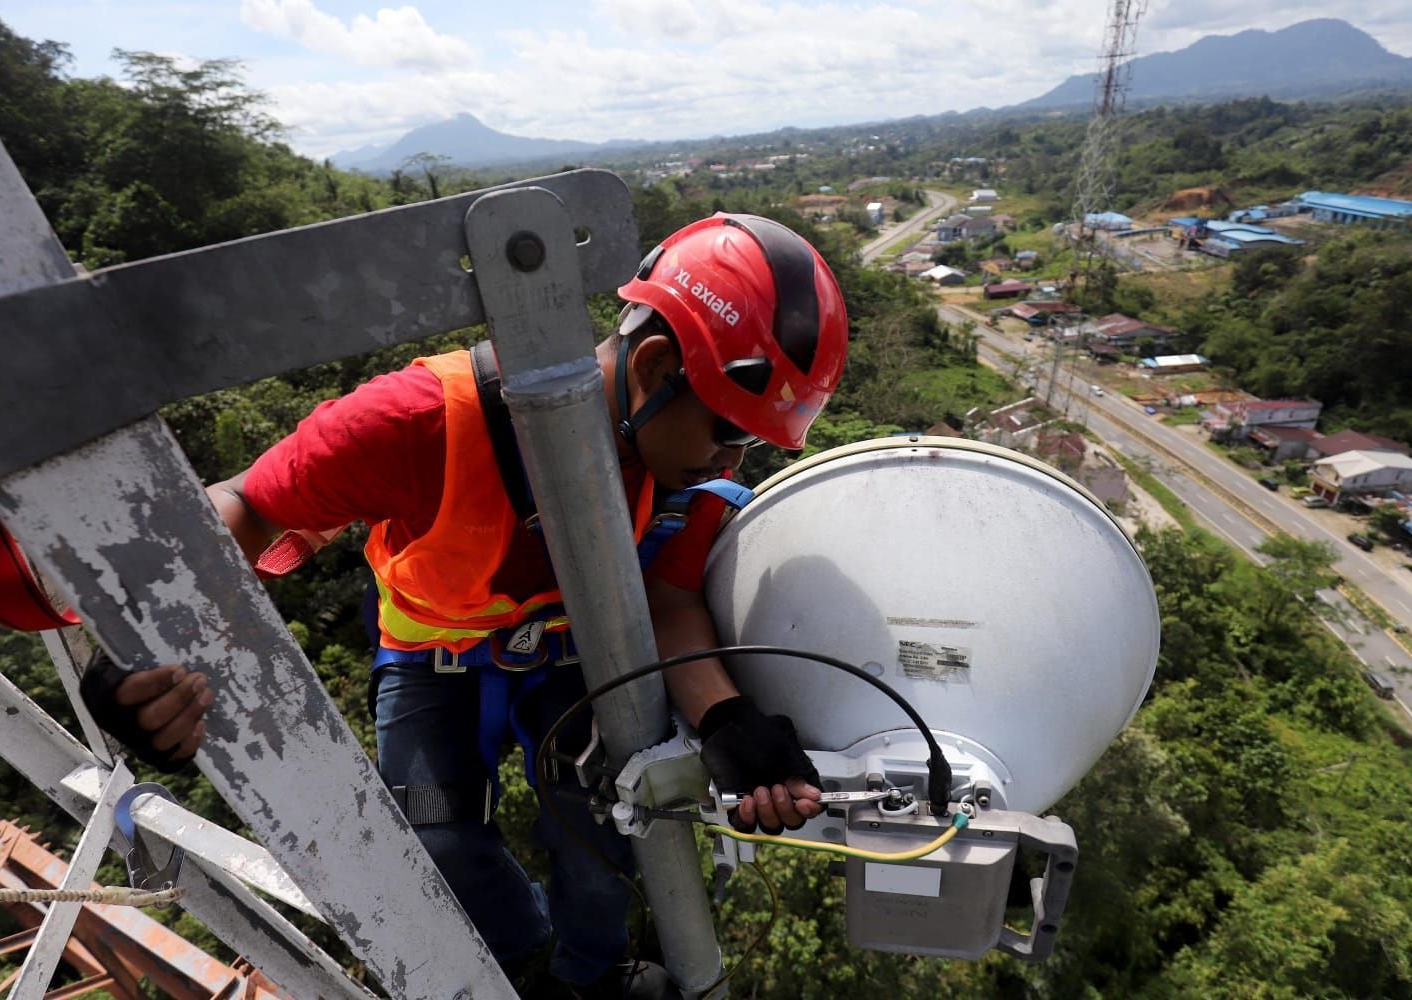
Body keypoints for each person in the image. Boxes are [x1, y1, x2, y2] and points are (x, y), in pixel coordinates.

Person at [80, 213, 849, 999]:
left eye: (748, 446)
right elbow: (251, 502)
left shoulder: (684, 488)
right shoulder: (419, 423)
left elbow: (669, 603)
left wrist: (728, 725)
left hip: (575, 658)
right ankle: (518, 961)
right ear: (654, 368)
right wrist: (141, 639)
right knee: (434, 833)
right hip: (431, 659)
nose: (727, 460)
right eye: (726, 433)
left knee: (602, 814)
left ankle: (590, 977)